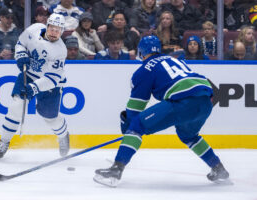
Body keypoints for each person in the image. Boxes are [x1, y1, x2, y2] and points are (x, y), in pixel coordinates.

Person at [93, 35, 230, 188]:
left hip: (183, 101)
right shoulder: (175, 59)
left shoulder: (145, 69)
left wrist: (129, 130)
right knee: (189, 136)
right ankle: (219, 169)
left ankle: (116, 170)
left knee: (137, 125)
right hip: (206, 100)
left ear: (142, 52)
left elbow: (134, 111)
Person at [0, 13, 70, 158]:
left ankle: (63, 135)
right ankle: (4, 142)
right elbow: (21, 44)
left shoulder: (60, 50)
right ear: (47, 26)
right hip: (28, 75)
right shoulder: (34, 29)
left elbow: (52, 78)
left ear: (62, 31)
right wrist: (21, 55)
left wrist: (34, 88)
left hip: (50, 85)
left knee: (49, 116)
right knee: (16, 107)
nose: (54, 32)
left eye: (58, 30)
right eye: (52, 28)